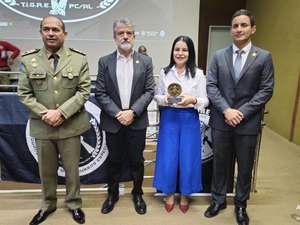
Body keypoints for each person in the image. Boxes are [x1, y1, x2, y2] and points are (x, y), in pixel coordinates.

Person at [18, 16, 91, 225]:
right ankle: (47, 205)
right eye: (46, 29)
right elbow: (24, 93)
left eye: (56, 30)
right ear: (41, 32)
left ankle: (74, 204)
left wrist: (61, 113)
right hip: (43, 126)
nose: (51, 33)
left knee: (72, 171)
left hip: (71, 125)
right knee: (46, 171)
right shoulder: (28, 60)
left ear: (64, 34)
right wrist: (46, 113)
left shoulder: (79, 59)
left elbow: (84, 91)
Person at [204, 9, 274, 225]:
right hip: (221, 121)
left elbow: (266, 89)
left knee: (244, 166)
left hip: (248, 123)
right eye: (235, 26)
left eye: (243, 25)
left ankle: (241, 204)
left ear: (252, 29)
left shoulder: (263, 57)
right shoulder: (218, 56)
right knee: (221, 164)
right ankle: (218, 200)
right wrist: (226, 110)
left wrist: (241, 112)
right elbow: (211, 86)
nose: (239, 29)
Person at [95, 17, 155, 215]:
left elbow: (149, 91)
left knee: (137, 160)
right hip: (114, 121)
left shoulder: (145, 61)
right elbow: (100, 93)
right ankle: (112, 194)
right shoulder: (105, 61)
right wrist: (119, 113)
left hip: (137, 121)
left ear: (134, 36)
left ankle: (137, 193)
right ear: (114, 37)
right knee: (114, 160)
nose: (125, 36)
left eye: (129, 32)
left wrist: (132, 112)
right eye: (121, 33)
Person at [153, 35, 209, 213]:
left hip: (188, 119)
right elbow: (157, 96)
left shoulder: (198, 74)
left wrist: (192, 99)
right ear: (172, 52)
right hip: (169, 117)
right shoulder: (164, 72)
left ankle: (185, 195)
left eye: (184, 50)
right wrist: (166, 99)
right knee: (168, 158)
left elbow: (205, 100)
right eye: (177, 49)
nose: (180, 53)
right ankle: (168, 193)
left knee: (188, 159)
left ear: (190, 52)